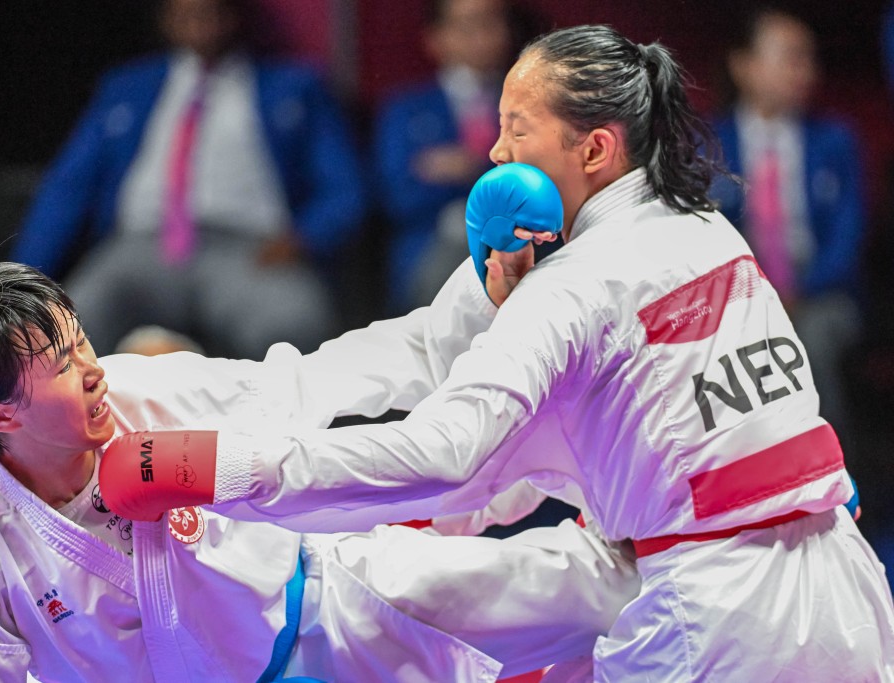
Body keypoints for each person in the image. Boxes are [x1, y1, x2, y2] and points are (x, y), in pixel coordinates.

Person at [103, 25, 894, 681]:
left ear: (594, 150)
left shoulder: (576, 282)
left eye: (518, 128)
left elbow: (443, 453)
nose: (495, 153)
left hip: (719, 619)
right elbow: (579, 432)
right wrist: (502, 313)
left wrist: (212, 466)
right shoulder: (711, 233)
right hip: (846, 589)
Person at [0, 260, 639, 682]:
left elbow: (312, 381)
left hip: (335, 608)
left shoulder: (149, 395)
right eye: (61, 364)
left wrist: (475, 300)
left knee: (603, 592)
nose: (93, 369)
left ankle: (663, 505)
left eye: (82, 342)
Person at [11, 0, 365, 360]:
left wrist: (305, 237)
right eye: (184, 11)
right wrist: (22, 277)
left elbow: (344, 188)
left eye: (210, 10)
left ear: (234, 16)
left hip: (248, 249)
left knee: (293, 327)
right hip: (141, 246)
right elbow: (68, 187)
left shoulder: (293, 87)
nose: (199, 20)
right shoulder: (126, 88)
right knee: (61, 331)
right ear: (165, 19)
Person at [710, 7, 865, 440]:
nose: (806, 72)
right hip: (736, 298)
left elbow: (847, 236)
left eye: (809, 58)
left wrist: (797, 292)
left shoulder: (835, 139)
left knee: (808, 339)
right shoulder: (707, 144)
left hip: (820, 294)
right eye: (791, 57)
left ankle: (831, 476)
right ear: (744, 66)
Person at [373, 0, 517, 312]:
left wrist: (470, 168)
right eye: (466, 26)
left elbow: (545, 187)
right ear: (435, 38)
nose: (480, 36)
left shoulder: (536, 107)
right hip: (429, 252)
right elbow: (397, 196)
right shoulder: (405, 109)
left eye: (490, 23)